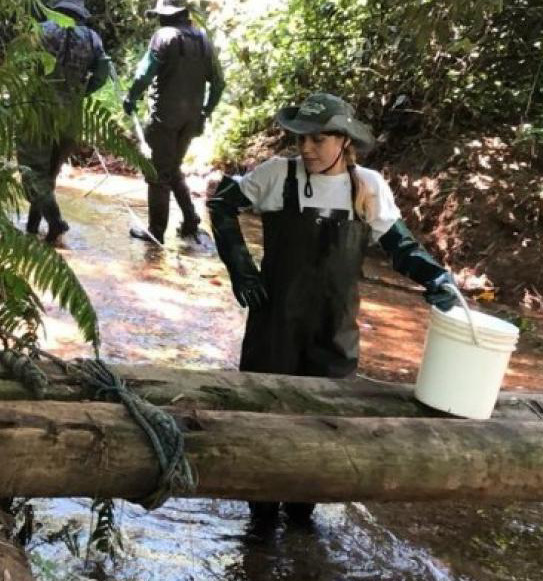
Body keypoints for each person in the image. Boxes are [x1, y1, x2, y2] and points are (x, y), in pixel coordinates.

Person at [206, 92, 458, 528]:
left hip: (333, 329)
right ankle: (260, 521)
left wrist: (437, 277)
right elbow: (221, 205)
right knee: (266, 420)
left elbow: (400, 246)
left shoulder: (368, 187)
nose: (306, 148)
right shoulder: (276, 175)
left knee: (326, 425)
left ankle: (303, 515)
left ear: (345, 141)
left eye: (319, 139)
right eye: (301, 137)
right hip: (274, 325)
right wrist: (241, 268)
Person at [123, 0, 224, 244]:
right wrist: (205, 112)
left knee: (158, 174)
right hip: (190, 121)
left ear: (167, 16)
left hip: (164, 119)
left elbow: (144, 74)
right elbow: (219, 84)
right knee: (173, 168)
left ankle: (156, 232)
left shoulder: (163, 36)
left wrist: (131, 97)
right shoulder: (203, 40)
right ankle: (190, 221)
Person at [16, 0, 110, 243]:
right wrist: (79, 93)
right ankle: (32, 226)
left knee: (32, 173)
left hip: (38, 111)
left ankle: (55, 222)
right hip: (71, 116)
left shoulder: (41, 31)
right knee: (48, 175)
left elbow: (21, 65)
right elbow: (101, 75)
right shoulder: (93, 39)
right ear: (80, 13)